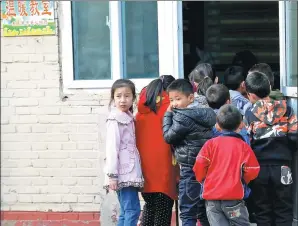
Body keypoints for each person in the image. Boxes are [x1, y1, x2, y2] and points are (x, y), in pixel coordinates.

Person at [244, 72, 298, 226]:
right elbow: (294, 136)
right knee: (284, 208)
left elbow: (247, 142)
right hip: (283, 167)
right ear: (269, 87)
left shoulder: (250, 114)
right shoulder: (287, 110)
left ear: (250, 95)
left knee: (262, 209)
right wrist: (287, 151)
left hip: (259, 169)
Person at [193, 104, 260, 226]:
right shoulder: (243, 146)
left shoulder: (210, 144)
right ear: (241, 124)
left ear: (217, 126)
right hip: (234, 197)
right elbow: (253, 170)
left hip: (212, 198)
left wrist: (202, 180)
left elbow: (200, 164)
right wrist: (241, 181)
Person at [163, 79, 216, 226]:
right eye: (171, 100)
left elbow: (168, 137)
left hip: (189, 168)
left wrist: (167, 115)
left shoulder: (181, 116)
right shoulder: (207, 113)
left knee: (187, 211)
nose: (174, 104)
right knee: (204, 209)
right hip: (206, 168)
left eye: (178, 99)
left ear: (191, 98)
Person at [135, 75, 179, 226]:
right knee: (162, 210)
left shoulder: (140, 110)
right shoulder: (171, 107)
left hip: (144, 170)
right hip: (165, 168)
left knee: (150, 207)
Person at [104, 79, 144, 226]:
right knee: (132, 210)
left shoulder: (127, 117)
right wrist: (112, 175)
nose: (122, 100)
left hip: (129, 171)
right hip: (122, 172)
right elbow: (112, 148)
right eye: (118, 96)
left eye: (127, 96)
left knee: (127, 211)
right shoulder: (115, 119)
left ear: (133, 97)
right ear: (113, 98)